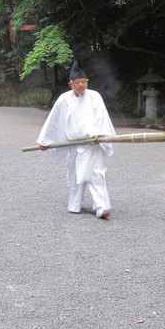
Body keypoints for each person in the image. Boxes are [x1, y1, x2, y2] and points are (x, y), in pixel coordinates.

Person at [36, 58, 116, 218]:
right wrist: (45, 141)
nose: (81, 85)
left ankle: (102, 207)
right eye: (77, 82)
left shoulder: (95, 97)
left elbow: (101, 117)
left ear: (87, 82)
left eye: (83, 82)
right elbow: (53, 120)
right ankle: (74, 204)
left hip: (93, 144)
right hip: (74, 144)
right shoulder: (64, 100)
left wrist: (99, 135)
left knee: (96, 175)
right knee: (74, 176)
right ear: (70, 84)